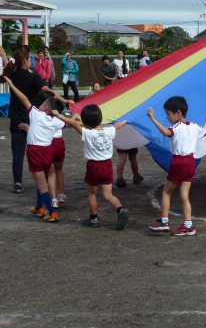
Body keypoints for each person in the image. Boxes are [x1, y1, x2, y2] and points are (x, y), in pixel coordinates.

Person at [148, 96, 206, 236]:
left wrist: (153, 119)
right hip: (191, 162)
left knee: (166, 192)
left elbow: (166, 132)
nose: (168, 118)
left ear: (178, 113)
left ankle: (164, 222)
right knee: (184, 195)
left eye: (168, 114)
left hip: (179, 162)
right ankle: (188, 225)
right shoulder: (194, 127)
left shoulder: (176, 127)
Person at [4, 49, 70, 193]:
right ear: (26, 61)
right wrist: (63, 99)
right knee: (42, 148)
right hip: (33, 120)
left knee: (17, 153)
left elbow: (6, 62)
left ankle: (17, 182)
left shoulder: (12, 74)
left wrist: (2, 52)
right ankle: (46, 178)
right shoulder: (34, 77)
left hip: (16, 119)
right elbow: (47, 89)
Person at [54, 104, 130, 229]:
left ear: (84, 121)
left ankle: (94, 218)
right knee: (108, 195)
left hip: (94, 166)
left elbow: (73, 124)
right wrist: (125, 120)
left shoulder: (88, 133)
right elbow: (118, 125)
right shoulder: (109, 130)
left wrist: (58, 115)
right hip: (107, 165)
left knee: (92, 194)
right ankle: (120, 209)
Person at [3, 77, 65, 222]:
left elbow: (23, 99)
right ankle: (39, 207)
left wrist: (12, 84)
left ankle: (52, 212)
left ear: (46, 108)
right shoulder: (57, 121)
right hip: (47, 151)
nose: (42, 103)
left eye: (44, 102)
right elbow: (71, 121)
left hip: (35, 152)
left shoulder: (35, 114)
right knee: (41, 180)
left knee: (42, 185)